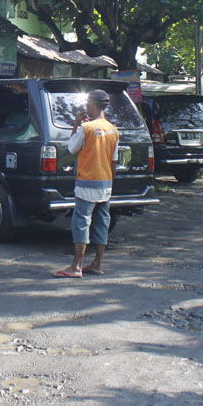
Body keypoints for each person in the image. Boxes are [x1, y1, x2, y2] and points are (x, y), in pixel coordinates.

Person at [54, 89, 119, 278]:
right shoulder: (113, 129)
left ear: (92, 105)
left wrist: (75, 125)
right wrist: (110, 183)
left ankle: (76, 266)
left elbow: (72, 147)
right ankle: (97, 263)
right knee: (101, 223)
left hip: (87, 183)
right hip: (105, 184)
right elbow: (114, 161)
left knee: (81, 222)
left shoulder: (86, 128)